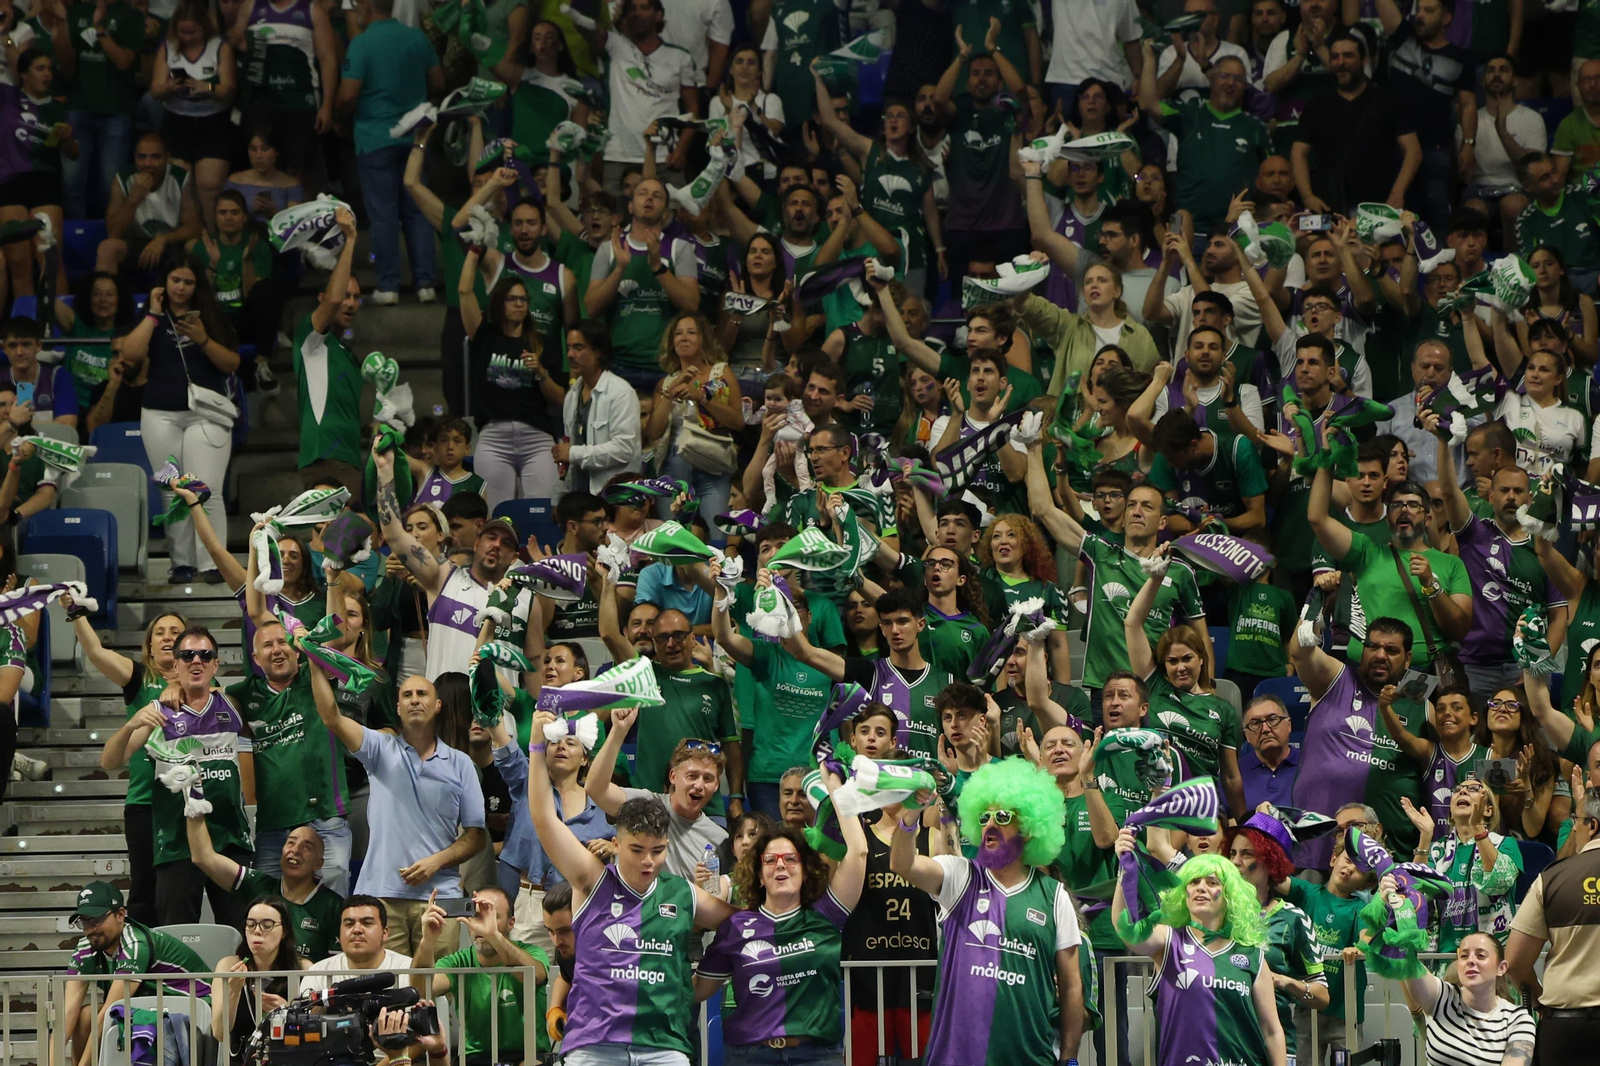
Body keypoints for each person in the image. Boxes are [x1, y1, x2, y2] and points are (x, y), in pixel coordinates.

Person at [526, 705, 735, 1066]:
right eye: (637, 850)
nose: (648, 861)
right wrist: (535, 747)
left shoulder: (682, 891)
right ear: (616, 843)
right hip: (594, 1044)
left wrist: (707, 976)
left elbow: (741, 925)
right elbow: (544, 818)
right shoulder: (591, 879)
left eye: (657, 851)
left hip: (664, 1046)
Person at [888, 757, 1084, 1065]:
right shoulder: (960, 875)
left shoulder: (1054, 896)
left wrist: (1070, 1058)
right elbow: (903, 864)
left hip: (1030, 1059)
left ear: (1029, 828)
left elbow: (1071, 986)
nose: (990, 824)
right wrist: (912, 811)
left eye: (1003, 816)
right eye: (984, 817)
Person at [310, 669, 487, 955]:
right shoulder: (379, 749)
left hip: (440, 898)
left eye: (422, 694)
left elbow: (476, 836)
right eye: (407, 695)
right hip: (382, 896)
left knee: (439, 981)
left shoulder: (461, 764)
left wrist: (435, 862)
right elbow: (331, 717)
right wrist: (312, 661)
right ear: (398, 708)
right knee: (388, 983)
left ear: (437, 705)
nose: (414, 700)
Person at [695, 788, 869, 1058]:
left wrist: (835, 786)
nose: (780, 865)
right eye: (770, 860)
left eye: (790, 859)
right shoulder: (736, 926)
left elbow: (858, 852)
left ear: (805, 871)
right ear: (759, 875)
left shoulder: (826, 915)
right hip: (751, 1057)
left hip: (817, 1056)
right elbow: (696, 990)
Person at [100, 625, 253, 927]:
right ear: (176, 664)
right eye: (187, 655)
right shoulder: (158, 712)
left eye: (205, 655)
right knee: (178, 933)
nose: (196, 660)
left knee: (241, 929)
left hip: (230, 837)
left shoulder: (232, 704)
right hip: (176, 842)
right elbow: (110, 761)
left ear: (215, 665)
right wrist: (131, 725)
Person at [1112, 836, 1288, 1066]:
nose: (1201, 888)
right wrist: (1125, 869)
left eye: (1212, 883)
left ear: (1229, 896)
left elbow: (1272, 1032)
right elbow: (1127, 931)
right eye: (1193, 882)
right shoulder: (1168, 941)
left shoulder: (1252, 956)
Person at [121, 254, 239, 583]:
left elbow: (231, 364)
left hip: (206, 413)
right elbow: (129, 354)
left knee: (206, 489)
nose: (181, 288)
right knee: (172, 491)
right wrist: (153, 314)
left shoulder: (211, 316)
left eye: (188, 282)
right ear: (165, 282)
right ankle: (182, 563)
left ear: (197, 286)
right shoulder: (152, 316)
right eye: (176, 280)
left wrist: (203, 339)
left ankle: (213, 562)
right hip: (160, 413)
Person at [78, 602, 187, 926]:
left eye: (176, 632)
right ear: (149, 646)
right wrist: (75, 614)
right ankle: (140, 954)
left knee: (180, 891)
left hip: (188, 802)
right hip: (144, 801)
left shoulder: (201, 682)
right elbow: (95, 652)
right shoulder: (139, 677)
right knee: (143, 890)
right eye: (160, 633)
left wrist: (179, 683)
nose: (167, 637)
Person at [225, 621, 354, 896]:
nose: (276, 650)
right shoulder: (242, 694)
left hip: (325, 817)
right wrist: (176, 685)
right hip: (273, 824)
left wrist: (311, 647)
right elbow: (205, 696)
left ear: (296, 650)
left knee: (332, 897)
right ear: (255, 658)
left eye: (282, 642)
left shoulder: (315, 673)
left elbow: (339, 636)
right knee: (266, 903)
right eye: (267, 645)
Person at [335, 0, 442, 304]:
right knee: (418, 211)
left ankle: (388, 285)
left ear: (368, 8)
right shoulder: (417, 38)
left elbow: (348, 94)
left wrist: (339, 118)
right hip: (415, 138)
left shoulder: (361, 44)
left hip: (375, 138)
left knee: (383, 215)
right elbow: (438, 81)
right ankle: (426, 284)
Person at [1125, 560, 1246, 815]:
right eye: (1172, 661)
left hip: (1203, 809)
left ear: (1201, 659)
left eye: (1187, 658)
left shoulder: (1223, 709)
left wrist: (1243, 822)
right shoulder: (1154, 685)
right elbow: (1132, 624)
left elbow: (1231, 776)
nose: (1180, 667)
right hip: (1158, 804)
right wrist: (1156, 578)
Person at [459, 241, 569, 508]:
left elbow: (560, 399)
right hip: (493, 435)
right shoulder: (484, 336)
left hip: (536, 435)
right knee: (497, 513)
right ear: (500, 302)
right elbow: (464, 291)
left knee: (542, 509)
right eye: (512, 299)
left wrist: (541, 372)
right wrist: (475, 251)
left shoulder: (541, 342)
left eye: (523, 299)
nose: (519, 304)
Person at [1378, 883, 1536, 1066]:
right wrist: (1396, 908)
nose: (1471, 961)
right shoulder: (1442, 998)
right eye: (1464, 955)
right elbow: (1408, 960)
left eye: (1481, 955)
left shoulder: (1517, 1019)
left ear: (1501, 968)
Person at [62, 881, 210, 1066]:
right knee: (85, 1016)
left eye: (97, 920)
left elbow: (108, 1012)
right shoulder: (86, 948)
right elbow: (67, 1014)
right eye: (84, 922)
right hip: (154, 1004)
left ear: (120, 915)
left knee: (104, 1016)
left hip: (195, 1003)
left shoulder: (135, 944)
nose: (91, 929)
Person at [1507, 791, 1600, 1060]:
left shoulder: (1551, 879)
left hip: (1567, 1030)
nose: (1573, 828)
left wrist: (1538, 997)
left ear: (1592, 825)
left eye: (1575, 821)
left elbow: (1514, 962)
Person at [935, 21, 1029, 284]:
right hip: (963, 226)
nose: (982, 78)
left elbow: (1020, 90)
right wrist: (962, 56)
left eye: (989, 73)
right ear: (967, 82)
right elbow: (939, 99)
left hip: (1006, 226)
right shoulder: (959, 114)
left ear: (999, 82)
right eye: (975, 73)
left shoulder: (1009, 114)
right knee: (963, 299)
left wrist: (992, 48)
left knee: (1011, 299)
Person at [413, 887, 550, 1065]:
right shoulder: (459, 961)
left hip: (529, 1054)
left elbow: (535, 975)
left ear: (511, 923)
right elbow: (421, 989)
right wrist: (428, 940)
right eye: (477, 916)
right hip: (475, 1057)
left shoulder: (532, 953)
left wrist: (493, 936)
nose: (484, 924)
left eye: (492, 916)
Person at [1137, 46, 1268, 232]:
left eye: (1238, 79)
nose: (1231, 83)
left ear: (1245, 86)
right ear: (1211, 79)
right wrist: (1149, 58)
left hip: (1238, 229)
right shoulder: (1189, 115)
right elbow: (1147, 103)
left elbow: (1271, 175)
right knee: (1173, 247)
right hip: (1182, 222)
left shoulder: (1255, 128)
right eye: (1224, 76)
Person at [187, 809, 343, 961]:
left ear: (318, 864)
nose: (295, 850)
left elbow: (338, 965)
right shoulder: (259, 885)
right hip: (259, 977)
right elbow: (203, 857)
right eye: (290, 843)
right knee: (227, 964)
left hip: (308, 978)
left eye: (306, 847)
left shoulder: (333, 906)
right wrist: (194, 806)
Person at [1292, 32, 1421, 215]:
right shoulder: (1317, 104)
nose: (1341, 62)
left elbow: (1413, 151)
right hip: (1330, 206)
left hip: (1377, 205)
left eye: (1348, 55)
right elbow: (1298, 152)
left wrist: (1397, 193)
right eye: (1335, 57)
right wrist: (1307, 196)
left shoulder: (1387, 100)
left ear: (1364, 60)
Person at [644, 313, 743, 543]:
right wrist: (673, 389)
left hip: (713, 462)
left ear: (703, 339)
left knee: (717, 537)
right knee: (675, 540)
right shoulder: (666, 383)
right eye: (678, 333)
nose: (683, 338)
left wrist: (702, 397)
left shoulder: (720, 372)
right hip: (674, 466)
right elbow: (653, 432)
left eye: (691, 332)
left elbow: (738, 422)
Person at [227, 0, 340, 191]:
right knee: (262, 165)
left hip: (300, 102)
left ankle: (299, 209)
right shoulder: (252, 5)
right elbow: (232, 42)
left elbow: (328, 59)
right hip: (261, 102)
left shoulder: (312, 10)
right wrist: (244, 41)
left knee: (299, 171)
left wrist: (327, 106)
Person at [293, 205, 366, 499]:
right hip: (324, 459)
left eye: (356, 297)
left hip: (350, 460)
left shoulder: (348, 356)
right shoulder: (310, 339)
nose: (350, 303)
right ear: (322, 298)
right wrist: (350, 240)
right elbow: (333, 300)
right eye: (345, 295)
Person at [150, 2, 236, 226]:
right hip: (177, 121)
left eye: (193, 32)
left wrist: (206, 87)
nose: (187, 37)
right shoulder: (168, 47)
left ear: (204, 28)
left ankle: (214, 234)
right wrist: (170, 87)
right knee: (182, 184)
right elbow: (156, 90)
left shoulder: (219, 47)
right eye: (182, 32)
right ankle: (187, 236)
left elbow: (228, 90)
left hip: (213, 122)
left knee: (209, 185)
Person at [603, 0, 698, 183]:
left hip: (665, 158)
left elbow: (692, 111)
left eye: (644, 7)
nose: (637, 13)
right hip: (619, 157)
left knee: (672, 204)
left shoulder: (680, 57)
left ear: (658, 15)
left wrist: (681, 150)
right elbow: (588, 28)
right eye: (632, 8)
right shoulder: (615, 48)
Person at [212, 897, 312, 1061]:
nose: (257, 931)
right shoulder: (228, 966)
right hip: (241, 1059)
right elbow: (219, 1033)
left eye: (267, 925)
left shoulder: (303, 969)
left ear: (284, 931)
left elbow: (313, 1032)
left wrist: (289, 1013)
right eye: (251, 925)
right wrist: (233, 992)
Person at [98, 133, 205, 277]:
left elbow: (195, 228)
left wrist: (162, 239)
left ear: (167, 157)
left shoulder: (181, 178)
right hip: (136, 245)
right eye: (142, 157)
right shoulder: (122, 179)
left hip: (172, 245)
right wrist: (133, 200)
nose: (147, 164)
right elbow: (113, 233)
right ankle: (106, 290)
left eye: (155, 157)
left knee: (195, 246)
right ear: (135, 157)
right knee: (107, 248)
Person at [300, 895, 415, 991]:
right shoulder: (318, 973)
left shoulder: (408, 970)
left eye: (367, 923)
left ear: (385, 933)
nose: (357, 930)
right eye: (349, 924)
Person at [1239, 696, 1299, 811]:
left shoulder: (1310, 766)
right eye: (1255, 723)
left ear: (1289, 725)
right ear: (1246, 735)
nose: (1265, 729)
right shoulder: (1235, 774)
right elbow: (1221, 818)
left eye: (1272, 719)